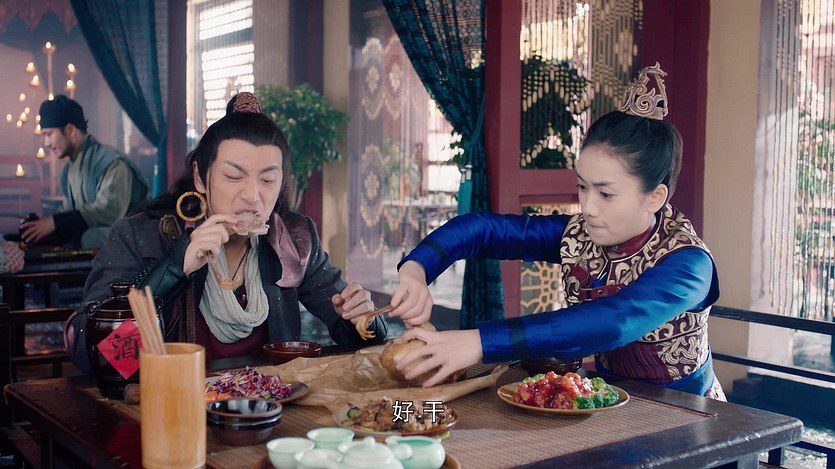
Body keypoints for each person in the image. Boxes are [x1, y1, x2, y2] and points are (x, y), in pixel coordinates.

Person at [372, 63, 724, 399]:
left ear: (655, 197)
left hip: (689, 412)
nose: (588, 207)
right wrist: (416, 269)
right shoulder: (582, 234)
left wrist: (480, 342)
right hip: (606, 401)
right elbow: (483, 229)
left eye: (606, 194)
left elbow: (613, 322)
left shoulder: (688, 265)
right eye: (582, 187)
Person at [65, 92, 387, 372]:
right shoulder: (142, 236)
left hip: (269, 410)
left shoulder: (293, 239)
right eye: (234, 177)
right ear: (200, 177)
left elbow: (359, 339)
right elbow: (90, 355)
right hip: (171, 405)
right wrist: (175, 267)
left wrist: (363, 318)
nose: (253, 196)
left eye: (267, 180)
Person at [19, 95, 149, 248]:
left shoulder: (111, 163)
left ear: (70, 130)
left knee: (91, 238)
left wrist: (56, 222)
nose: (46, 143)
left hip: (134, 240)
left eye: (49, 134)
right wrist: (39, 228)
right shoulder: (68, 171)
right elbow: (68, 213)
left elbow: (110, 212)